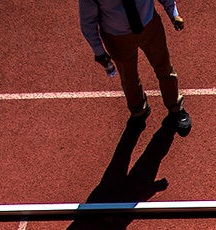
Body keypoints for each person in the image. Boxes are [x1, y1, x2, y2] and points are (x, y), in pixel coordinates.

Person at [79, 0, 191, 134]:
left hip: (149, 25)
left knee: (164, 67)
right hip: (117, 37)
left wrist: (173, 14)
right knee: (128, 76)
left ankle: (175, 107)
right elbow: (88, 21)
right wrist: (99, 51)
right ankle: (138, 111)